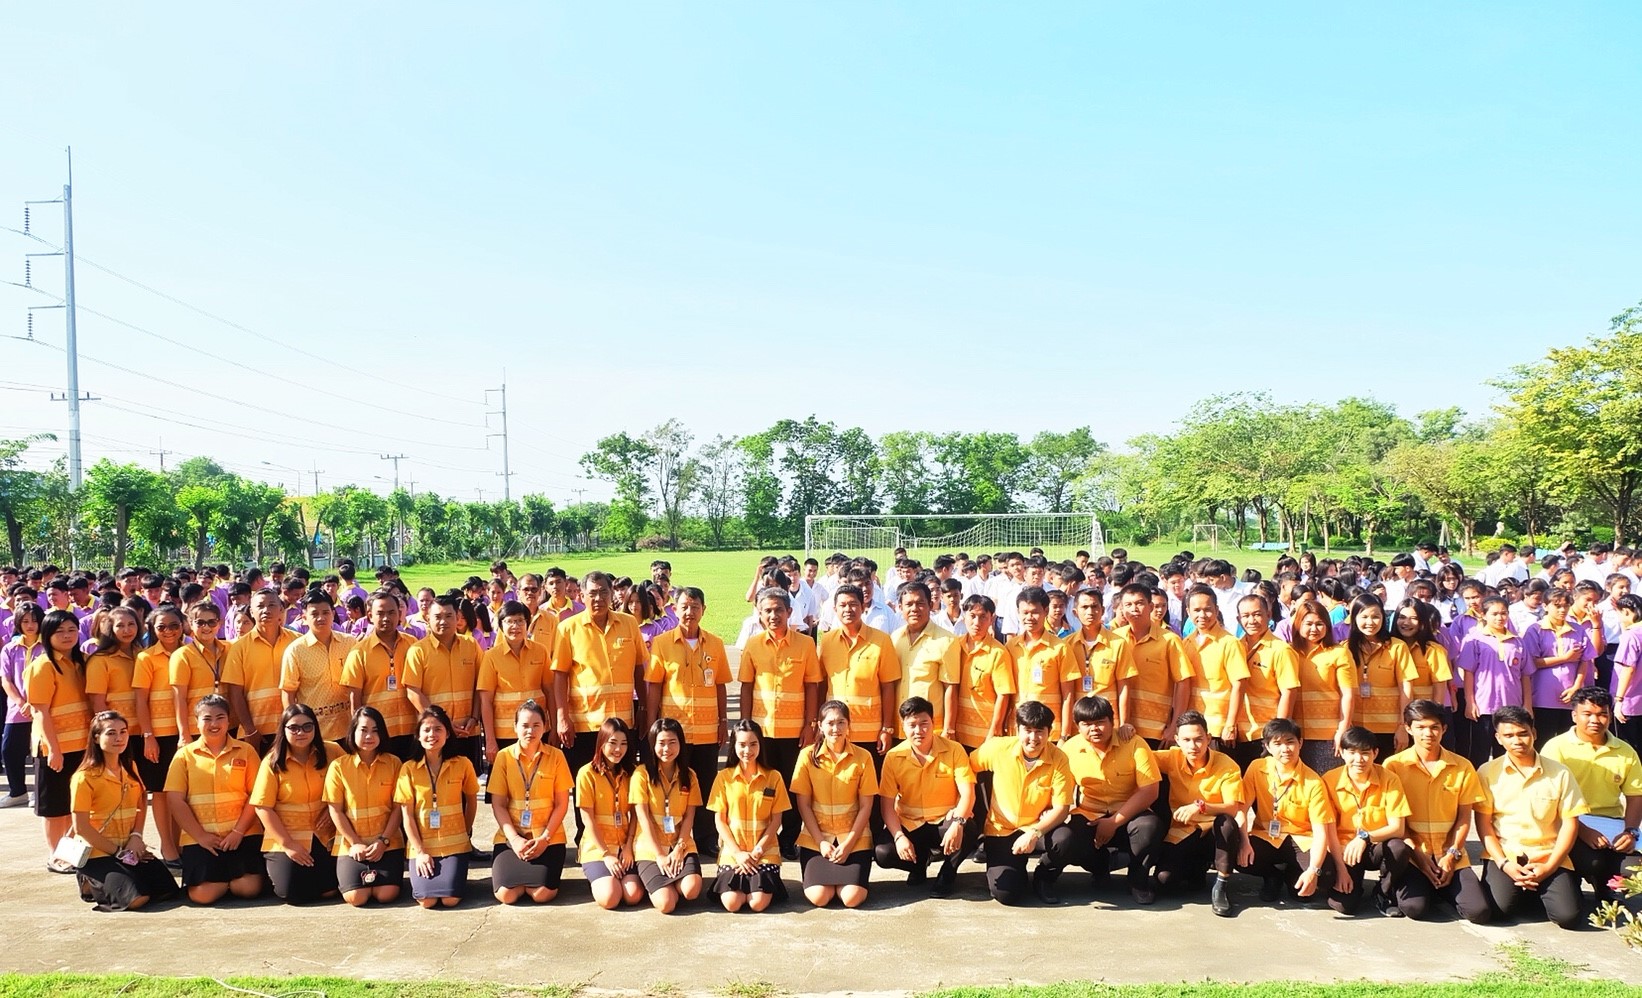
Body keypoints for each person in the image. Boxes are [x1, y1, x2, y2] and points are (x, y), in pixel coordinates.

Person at [1474, 705, 1587, 928]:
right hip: (1506, 855)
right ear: (1498, 738)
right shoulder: (1487, 772)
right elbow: (1484, 825)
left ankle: (1555, 887)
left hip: (1548, 855)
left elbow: (1570, 824)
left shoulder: (1560, 773)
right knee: (1499, 910)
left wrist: (1550, 867)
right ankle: (1527, 891)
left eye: (1523, 733)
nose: (1517, 741)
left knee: (1568, 917)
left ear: (1534, 733)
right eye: (1509, 736)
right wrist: (1504, 864)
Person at [1043, 694, 1162, 903]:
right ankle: (1047, 877)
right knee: (1063, 839)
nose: (1094, 729)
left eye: (1100, 722)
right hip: (1088, 814)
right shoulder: (1069, 749)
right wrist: (1047, 810)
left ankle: (1138, 881)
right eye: (1086, 724)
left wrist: (1114, 822)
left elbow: (1150, 791)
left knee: (1149, 826)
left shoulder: (1134, 743)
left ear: (1112, 721)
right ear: (1077, 726)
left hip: (1128, 814)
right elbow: (1057, 788)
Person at [1381, 699, 1492, 922]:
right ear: (1408, 728)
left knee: (1478, 911)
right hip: (1414, 855)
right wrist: (1420, 857)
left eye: (1434, 727)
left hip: (1450, 855)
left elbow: (1464, 818)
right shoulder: (1393, 766)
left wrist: (1451, 854)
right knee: (1415, 909)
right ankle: (1408, 888)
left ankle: (1442, 887)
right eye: (1420, 727)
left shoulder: (1462, 766)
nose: (1428, 734)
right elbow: (1395, 821)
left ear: (1444, 729)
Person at [736, 588, 822, 859]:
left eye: (779, 610)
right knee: (763, 786)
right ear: (759, 614)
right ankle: (764, 837)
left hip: (795, 732)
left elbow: (812, 686)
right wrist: (745, 726)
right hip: (761, 732)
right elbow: (746, 686)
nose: (774, 615)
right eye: (768, 611)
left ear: (789, 612)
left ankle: (789, 839)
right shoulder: (753, 645)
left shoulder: (805, 644)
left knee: (793, 786)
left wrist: (811, 724)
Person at [645, 586, 728, 856]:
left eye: (695, 607)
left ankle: (706, 837)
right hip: (674, 733)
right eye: (684, 607)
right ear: (674, 609)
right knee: (673, 784)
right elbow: (654, 685)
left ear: (704, 610)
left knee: (705, 783)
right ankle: (672, 835)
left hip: (706, 730)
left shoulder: (715, 644)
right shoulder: (662, 643)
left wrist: (723, 721)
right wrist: (652, 723)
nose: (689, 612)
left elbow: (720, 685)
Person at [69, 710, 180, 910]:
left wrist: (136, 836)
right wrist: (119, 853)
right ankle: (88, 880)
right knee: (137, 899)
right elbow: (81, 828)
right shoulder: (84, 777)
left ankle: (120, 877)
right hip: (98, 852)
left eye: (123, 732)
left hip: (128, 847)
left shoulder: (130, 767)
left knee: (168, 889)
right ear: (96, 738)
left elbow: (141, 801)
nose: (119, 738)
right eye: (111, 733)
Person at [1541, 686, 1642, 901]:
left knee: (1634, 868)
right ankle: (1573, 879)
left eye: (1602, 714)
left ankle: (1604, 884)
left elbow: (1635, 796)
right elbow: (1549, 800)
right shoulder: (1556, 748)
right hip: (1568, 822)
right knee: (1592, 861)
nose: (1595, 720)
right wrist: (1583, 831)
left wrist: (1631, 832)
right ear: (1574, 715)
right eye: (1587, 714)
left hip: (1610, 823)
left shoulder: (1625, 751)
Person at [969, 700, 1074, 906]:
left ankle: (1044, 877)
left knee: (1065, 839)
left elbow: (1062, 808)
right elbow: (965, 768)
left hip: (1037, 828)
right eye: (1027, 730)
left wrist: (1034, 833)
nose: (1033, 738)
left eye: (1039, 731)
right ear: (1017, 729)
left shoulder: (1059, 758)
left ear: (1050, 732)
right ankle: (1016, 872)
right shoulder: (998, 748)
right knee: (1006, 894)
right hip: (1002, 830)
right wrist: (963, 804)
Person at [1235, 717, 1347, 909]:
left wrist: (1313, 871)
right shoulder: (1256, 768)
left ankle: (1292, 874)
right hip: (1266, 836)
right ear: (1267, 746)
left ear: (1300, 743)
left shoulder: (1313, 782)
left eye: (1290, 742)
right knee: (1234, 850)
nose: (1285, 749)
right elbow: (1241, 810)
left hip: (1300, 840)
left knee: (1325, 874)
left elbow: (1321, 833)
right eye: (1277, 744)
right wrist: (1244, 842)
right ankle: (1272, 876)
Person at [164, 694, 264, 904]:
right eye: (207, 718)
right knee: (202, 895)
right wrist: (200, 836)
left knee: (249, 889)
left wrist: (238, 832)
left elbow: (256, 795)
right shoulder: (184, 756)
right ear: (197, 722)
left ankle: (227, 879)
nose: (214, 724)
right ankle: (224, 880)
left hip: (242, 835)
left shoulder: (246, 751)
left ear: (229, 720)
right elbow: (175, 800)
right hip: (201, 839)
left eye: (220, 718)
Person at [874, 695, 977, 898]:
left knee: (968, 829)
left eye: (924, 724)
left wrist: (957, 823)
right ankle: (919, 863)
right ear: (903, 727)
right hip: (911, 824)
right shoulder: (893, 757)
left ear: (933, 723)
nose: (918, 730)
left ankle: (947, 873)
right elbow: (886, 805)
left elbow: (968, 793)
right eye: (912, 725)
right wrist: (899, 837)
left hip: (944, 822)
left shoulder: (954, 750)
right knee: (883, 853)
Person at [553, 572, 647, 780]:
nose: (598, 598)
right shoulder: (567, 628)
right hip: (585, 724)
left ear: (612, 594)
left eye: (604, 592)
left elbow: (639, 668)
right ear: (581, 595)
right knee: (586, 783)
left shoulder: (629, 623)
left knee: (624, 783)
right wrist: (562, 718)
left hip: (623, 723)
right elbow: (559, 676)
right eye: (592, 593)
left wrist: (644, 707)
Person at [1152, 710, 1246, 915]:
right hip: (1183, 831)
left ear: (1208, 739)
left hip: (1213, 833)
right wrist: (1122, 733)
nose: (1193, 746)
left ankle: (1221, 886)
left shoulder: (1227, 765)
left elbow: (1232, 807)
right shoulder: (1172, 757)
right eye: (1186, 740)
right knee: (1164, 881)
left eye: (1198, 739)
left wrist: (1201, 806)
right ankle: (1196, 868)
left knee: (1227, 823)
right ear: (1177, 740)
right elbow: (1139, 756)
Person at [791, 700, 878, 908]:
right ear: (820, 726)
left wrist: (848, 844)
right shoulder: (807, 756)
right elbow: (803, 805)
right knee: (820, 897)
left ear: (849, 725)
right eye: (830, 723)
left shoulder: (863, 757)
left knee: (851, 898)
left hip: (854, 840)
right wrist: (821, 842)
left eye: (841, 722)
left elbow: (866, 806)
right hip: (817, 840)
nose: (835, 728)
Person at [251, 703, 339, 903]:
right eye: (294, 728)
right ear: (283, 729)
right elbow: (262, 807)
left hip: (324, 836)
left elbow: (350, 786)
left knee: (330, 891)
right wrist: (288, 845)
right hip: (287, 835)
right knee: (293, 894)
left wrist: (332, 809)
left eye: (307, 727)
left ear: (315, 728)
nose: (301, 732)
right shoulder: (272, 762)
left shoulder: (333, 751)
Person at [1321, 725, 1413, 916]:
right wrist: (1341, 869)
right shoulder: (1329, 780)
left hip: (1374, 846)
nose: (1358, 759)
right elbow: (1327, 829)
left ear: (1375, 753)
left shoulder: (1389, 779)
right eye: (1352, 752)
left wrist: (1364, 837)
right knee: (1344, 906)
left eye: (1365, 753)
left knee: (1398, 848)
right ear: (1342, 753)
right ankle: (1351, 883)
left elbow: (1397, 827)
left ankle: (1383, 892)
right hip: (1343, 849)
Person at [488, 699, 573, 904]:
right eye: (525, 725)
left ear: (545, 727)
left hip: (548, 838)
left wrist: (545, 839)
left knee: (542, 894)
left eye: (536, 725)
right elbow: (498, 804)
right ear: (515, 727)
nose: (530, 731)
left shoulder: (557, 756)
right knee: (506, 895)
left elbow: (562, 804)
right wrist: (515, 840)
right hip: (512, 838)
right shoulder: (504, 757)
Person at [26, 608, 92, 872]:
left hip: (83, 746)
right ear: (47, 635)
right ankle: (55, 856)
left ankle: (69, 853)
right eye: (60, 631)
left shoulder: (83, 661)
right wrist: (54, 749)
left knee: (73, 803)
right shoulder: (42, 666)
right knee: (54, 807)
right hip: (54, 747)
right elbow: (40, 711)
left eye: (72, 630)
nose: (67, 636)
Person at [396, 704, 479, 908]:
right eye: (426, 730)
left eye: (438, 729)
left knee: (450, 900)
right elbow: (407, 816)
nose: (432, 735)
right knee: (427, 900)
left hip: (455, 844)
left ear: (448, 734)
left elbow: (472, 801)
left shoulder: (463, 764)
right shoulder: (408, 769)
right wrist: (420, 852)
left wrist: (465, 831)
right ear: (418, 735)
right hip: (422, 846)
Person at [324, 706, 405, 906]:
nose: (369, 736)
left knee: (386, 895)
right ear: (353, 732)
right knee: (356, 897)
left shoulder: (394, 763)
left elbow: (398, 808)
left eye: (375, 731)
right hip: (351, 845)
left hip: (387, 842)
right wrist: (355, 843)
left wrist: (383, 841)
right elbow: (335, 810)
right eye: (363, 730)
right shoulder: (339, 767)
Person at [708, 718, 791, 912]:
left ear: (761, 745)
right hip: (733, 852)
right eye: (742, 744)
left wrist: (758, 851)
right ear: (733, 746)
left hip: (764, 852)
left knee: (758, 903)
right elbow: (720, 821)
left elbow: (776, 820)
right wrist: (737, 853)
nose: (748, 750)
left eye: (753, 744)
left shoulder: (774, 777)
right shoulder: (723, 777)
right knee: (732, 903)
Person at [817, 584, 902, 767]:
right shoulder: (827, 641)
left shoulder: (881, 641)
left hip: (869, 732)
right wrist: (819, 723)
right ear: (835, 609)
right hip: (835, 730)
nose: (848, 609)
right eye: (842, 605)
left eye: (853, 604)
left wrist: (887, 728)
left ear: (863, 607)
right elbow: (822, 684)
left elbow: (888, 686)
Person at [630, 716, 705, 913]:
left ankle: (670, 882)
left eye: (672, 742)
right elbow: (643, 818)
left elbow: (689, 817)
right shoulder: (641, 775)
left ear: (681, 743)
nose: (667, 749)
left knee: (691, 890)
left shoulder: (689, 776)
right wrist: (659, 855)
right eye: (661, 743)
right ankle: (660, 884)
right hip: (650, 847)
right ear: (653, 745)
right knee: (666, 904)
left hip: (680, 843)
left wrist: (679, 849)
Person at [403, 593, 483, 771]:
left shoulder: (471, 645)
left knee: (468, 779)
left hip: (468, 730)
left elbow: (481, 685)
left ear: (457, 618)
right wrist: (442, 723)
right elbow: (412, 691)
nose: (443, 621)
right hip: (435, 732)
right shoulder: (418, 651)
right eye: (437, 617)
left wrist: (475, 717)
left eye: (449, 616)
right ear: (428, 618)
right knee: (436, 780)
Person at [131, 605, 184, 864]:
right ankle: (168, 846)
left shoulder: (191, 652)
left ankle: (182, 843)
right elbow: (140, 700)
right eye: (161, 626)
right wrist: (148, 735)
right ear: (152, 629)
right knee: (161, 791)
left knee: (183, 791)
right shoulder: (146, 658)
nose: (168, 631)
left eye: (174, 625)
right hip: (159, 735)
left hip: (187, 732)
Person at [1114, 584, 1194, 748]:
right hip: (1120, 728)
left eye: (1140, 603)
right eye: (1128, 604)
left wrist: (1175, 726)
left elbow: (1183, 682)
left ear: (1150, 606)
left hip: (1156, 730)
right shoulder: (1115, 639)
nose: (1134, 609)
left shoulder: (1169, 640)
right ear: (1121, 609)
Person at [577, 717, 644, 909]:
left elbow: (636, 814)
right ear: (601, 743)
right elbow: (587, 819)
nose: (618, 749)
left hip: (624, 846)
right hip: (598, 848)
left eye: (623, 744)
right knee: (610, 898)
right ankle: (599, 877)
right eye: (613, 743)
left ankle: (614, 877)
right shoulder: (586, 773)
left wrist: (629, 846)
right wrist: (606, 854)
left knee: (633, 895)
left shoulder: (633, 773)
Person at [477, 599, 551, 768]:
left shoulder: (541, 651)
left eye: (519, 621)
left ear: (527, 624)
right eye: (509, 621)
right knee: (503, 779)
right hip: (505, 734)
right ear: (501, 626)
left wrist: (552, 727)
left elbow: (550, 691)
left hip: (537, 731)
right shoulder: (491, 657)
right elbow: (485, 701)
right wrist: (490, 739)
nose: (515, 626)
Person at [343, 592, 416, 760]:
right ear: (370, 616)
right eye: (380, 613)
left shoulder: (413, 645)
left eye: (391, 612)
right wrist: (360, 732)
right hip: (378, 734)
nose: (386, 618)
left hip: (412, 729)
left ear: (399, 614)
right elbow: (355, 697)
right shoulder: (359, 652)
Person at [1344, 595, 1418, 757]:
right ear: (1354, 618)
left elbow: (1406, 689)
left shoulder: (1397, 647)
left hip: (1389, 729)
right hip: (1355, 728)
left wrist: (1402, 726)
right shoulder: (1345, 649)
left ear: (1383, 618)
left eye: (1376, 617)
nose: (1370, 622)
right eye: (1364, 616)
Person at [223, 590, 296, 753]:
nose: (266, 610)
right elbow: (235, 692)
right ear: (251, 611)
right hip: (257, 731)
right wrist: (250, 729)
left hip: (293, 727)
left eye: (272, 605)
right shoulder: (239, 648)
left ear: (281, 609)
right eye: (260, 606)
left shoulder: (296, 642)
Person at [1181, 585, 1250, 756]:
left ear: (1217, 610)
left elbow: (1239, 684)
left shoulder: (1229, 643)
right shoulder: (1186, 643)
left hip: (1219, 729)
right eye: (1196, 610)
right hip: (1193, 727)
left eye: (1207, 610)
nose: (1202, 615)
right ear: (1188, 612)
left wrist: (1230, 724)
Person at [279, 592, 356, 743]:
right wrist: (297, 728)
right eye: (314, 614)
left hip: (349, 728)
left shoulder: (350, 643)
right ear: (304, 617)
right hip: (315, 733)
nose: (321, 618)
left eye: (326, 612)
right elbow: (288, 692)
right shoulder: (295, 650)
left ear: (333, 613)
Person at [1236, 594, 1301, 771]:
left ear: (1269, 615)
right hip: (1238, 732)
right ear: (1238, 619)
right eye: (1245, 616)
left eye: (1257, 614)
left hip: (1265, 733)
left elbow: (1289, 691)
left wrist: (1278, 733)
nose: (1252, 620)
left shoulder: (1281, 650)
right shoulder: (1236, 646)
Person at [1523, 590, 1596, 748]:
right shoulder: (1536, 630)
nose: (1562, 610)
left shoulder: (1577, 630)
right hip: (1543, 697)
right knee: (1543, 741)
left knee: (1571, 742)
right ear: (1545, 606)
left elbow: (1585, 660)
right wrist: (1565, 658)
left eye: (1566, 606)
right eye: (1557, 606)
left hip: (1572, 695)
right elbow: (1532, 662)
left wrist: (1577, 686)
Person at [891, 583, 961, 742]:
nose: (914, 609)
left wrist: (949, 728)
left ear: (931, 605)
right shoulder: (895, 638)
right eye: (909, 604)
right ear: (900, 607)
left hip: (929, 728)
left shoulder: (946, 641)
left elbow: (950, 687)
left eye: (920, 603)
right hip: (900, 726)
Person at [1065, 587, 1138, 739]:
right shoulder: (1067, 645)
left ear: (1103, 610)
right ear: (1075, 612)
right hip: (1079, 721)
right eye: (1084, 607)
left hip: (1107, 721)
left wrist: (1124, 723)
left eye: (1094, 606)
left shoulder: (1117, 643)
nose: (1090, 612)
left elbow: (1124, 686)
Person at [951, 596, 1016, 750]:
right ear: (964, 616)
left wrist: (995, 728)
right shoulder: (954, 646)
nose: (977, 622)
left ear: (992, 619)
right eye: (972, 616)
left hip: (984, 734)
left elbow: (1003, 695)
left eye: (983, 617)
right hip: (956, 733)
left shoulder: (998, 652)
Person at [0, 602, 45, 807]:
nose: (30, 625)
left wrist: (35, 702)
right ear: (18, 623)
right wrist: (20, 702)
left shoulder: (48, 647)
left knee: (40, 752)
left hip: (43, 708)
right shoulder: (10, 649)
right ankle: (17, 791)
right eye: (25, 621)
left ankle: (39, 792)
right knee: (10, 749)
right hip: (17, 710)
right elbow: (6, 680)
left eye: (34, 620)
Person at [169, 602, 226, 744]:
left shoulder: (229, 650)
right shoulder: (182, 655)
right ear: (190, 623)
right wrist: (184, 734)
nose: (206, 627)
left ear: (219, 623)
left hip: (227, 726)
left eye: (211, 622)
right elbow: (179, 698)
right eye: (200, 622)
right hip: (197, 728)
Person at [1612, 593, 1642, 749]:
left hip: (1630, 701)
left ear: (1625, 611)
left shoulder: (1631, 636)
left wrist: (1619, 700)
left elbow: (1628, 668)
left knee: (1629, 747)